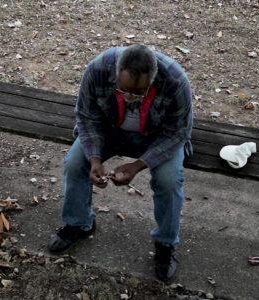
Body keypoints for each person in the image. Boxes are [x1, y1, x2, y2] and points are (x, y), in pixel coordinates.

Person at [48, 44, 193, 281]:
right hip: (110, 129)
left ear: (153, 80)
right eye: (123, 90)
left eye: (140, 93)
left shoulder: (176, 80)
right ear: (116, 73)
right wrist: (94, 158)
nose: (129, 97)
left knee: (168, 180)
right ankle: (79, 224)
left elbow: (177, 134)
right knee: (75, 163)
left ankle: (165, 245)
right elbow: (86, 116)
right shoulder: (98, 68)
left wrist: (139, 165)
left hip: (158, 136)